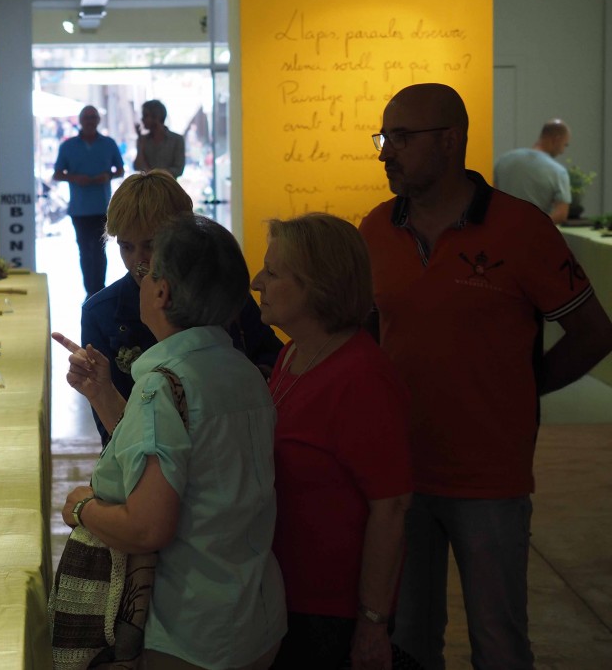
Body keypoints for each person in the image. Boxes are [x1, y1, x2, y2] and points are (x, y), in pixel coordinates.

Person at [360, 83, 612, 670]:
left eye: (401, 137)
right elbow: (364, 336)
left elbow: (595, 333)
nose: (385, 152)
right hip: (402, 476)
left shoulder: (520, 230)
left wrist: (525, 388)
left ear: (450, 141)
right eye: (383, 137)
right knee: (411, 640)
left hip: (490, 480)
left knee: (498, 644)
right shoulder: (374, 229)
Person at [53, 215, 287, 669]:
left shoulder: (164, 386)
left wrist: (81, 506)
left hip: (191, 629)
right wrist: (104, 393)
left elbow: (147, 528)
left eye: (149, 269)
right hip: (255, 612)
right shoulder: (243, 371)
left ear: (161, 292)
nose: (139, 277)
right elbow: (184, 453)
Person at [250, 214, 413, 670]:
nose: (257, 281)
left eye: (274, 272)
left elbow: (392, 506)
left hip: (329, 612)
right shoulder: (292, 353)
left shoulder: (362, 377)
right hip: (284, 593)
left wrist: (372, 623)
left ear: (317, 286)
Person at [78, 170, 283, 447]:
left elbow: (273, 364)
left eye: (150, 245)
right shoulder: (100, 313)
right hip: (140, 464)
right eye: (126, 247)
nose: (139, 261)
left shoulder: (221, 292)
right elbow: (111, 437)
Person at [53, 105, 125, 297]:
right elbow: (57, 174)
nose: (90, 121)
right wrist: (74, 178)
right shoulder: (68, 146)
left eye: (93, 117)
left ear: (98, 120)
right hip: (79, 209)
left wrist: (107, 176)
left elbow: (120, 170)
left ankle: (99, 289)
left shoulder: (109, 144)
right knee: (85, 250)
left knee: (100, 251)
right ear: (81, 120)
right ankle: (90, 292)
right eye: (87, 117)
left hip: (102, 207)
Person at [494, 119, 573, 224]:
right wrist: (535, 226)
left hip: (502, 231)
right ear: (556, 140)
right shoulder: (558, 172)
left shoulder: (503, 160)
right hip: (534, 237)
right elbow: (561, 214)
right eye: (565, 145)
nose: (562, 151)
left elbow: (493, 199)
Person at [134, 100, 186, 178]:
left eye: (145, 115)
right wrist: (140, 145)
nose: (142, 119)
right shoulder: (143, 140)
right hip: (149, 188)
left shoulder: (177, 140)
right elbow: (137, 166)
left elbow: (178, 169)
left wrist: (153, 175)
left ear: (156, 117)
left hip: (169, 188)